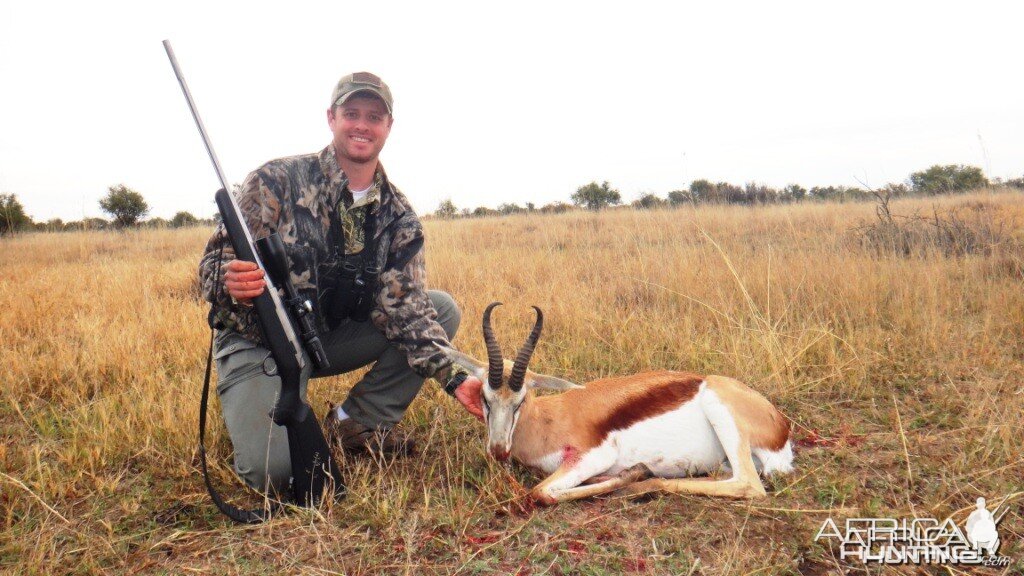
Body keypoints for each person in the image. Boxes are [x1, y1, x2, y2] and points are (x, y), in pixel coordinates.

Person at [198, 72, 484, 496]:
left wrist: (455, 377)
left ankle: (357, 422)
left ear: (389, 127)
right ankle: (261, 402)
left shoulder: (398, 215)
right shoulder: (274, 180)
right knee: (272, 475)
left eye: (374, 116)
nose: (362, 126)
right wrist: (229, 279)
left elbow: (405, 307)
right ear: (331, 118)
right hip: (256, 340)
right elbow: (211, 265)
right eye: (352, 114)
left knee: (439, 309)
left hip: (323, 341)